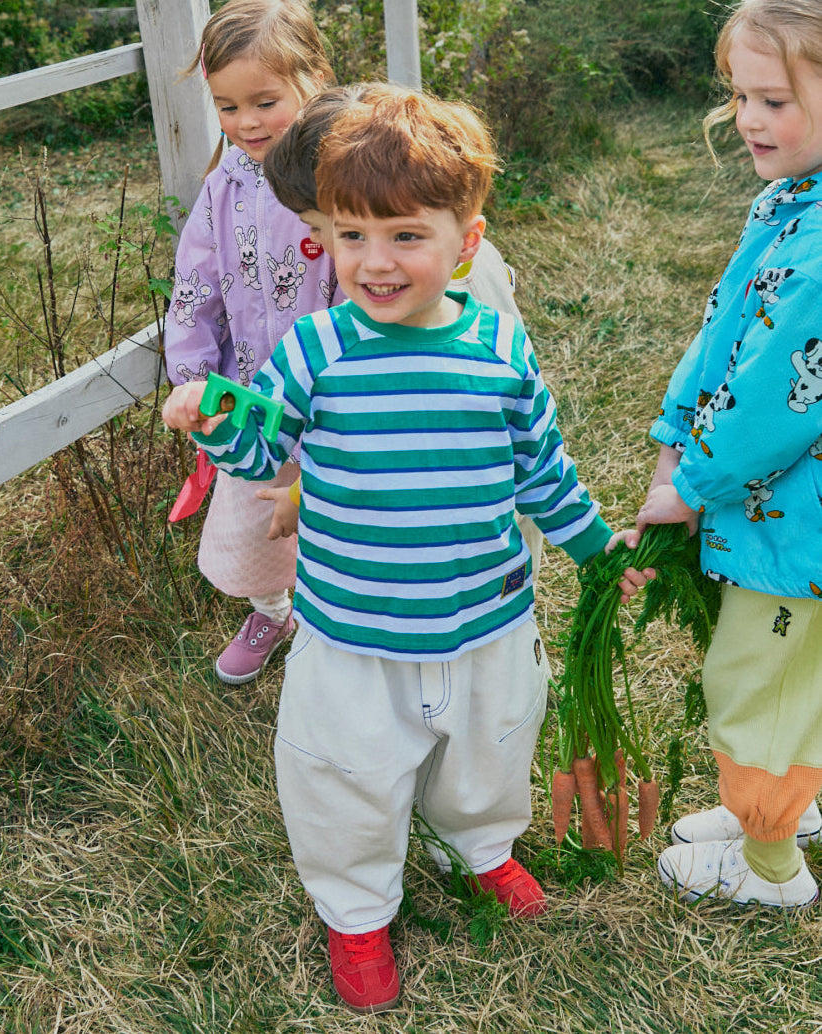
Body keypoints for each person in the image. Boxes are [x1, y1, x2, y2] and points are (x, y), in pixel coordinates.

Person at [162, 89, 652, 1013]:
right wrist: (218, 420)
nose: (374, 263)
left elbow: (541, 471)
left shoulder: (500, 348)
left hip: (485, 622)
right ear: (325, 241)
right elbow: (265, 447)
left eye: (404, 237)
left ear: (465, 242)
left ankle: (479, 849)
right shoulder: (316, 349)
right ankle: (355, 913)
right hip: (354, 630)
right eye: (350, 238)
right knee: (343, 771)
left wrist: (596, 549)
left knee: (489, 752)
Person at [637, 0, 822, 909]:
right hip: (778, 513)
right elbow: (726, 336)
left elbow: (768, 402)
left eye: (775, 99)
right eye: (740, 95)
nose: (749, 118)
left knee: (753, 679)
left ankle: (769, 866)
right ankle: (791, 801)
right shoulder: (792, 200)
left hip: (794, 527)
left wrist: (692, 479)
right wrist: (673, 433)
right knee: (795, 677)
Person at [259, 83, 546, 577]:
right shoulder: (418, 270)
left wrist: (303, 488)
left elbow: (435, 427)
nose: (309, 237)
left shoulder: (444, 296)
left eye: (314, 221)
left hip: (483, 519)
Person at [164, 0, 338, 685]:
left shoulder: (343, 175)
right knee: (255, 517)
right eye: (227, 106)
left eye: (265, 101)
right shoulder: (222, 187)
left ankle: (333, 620)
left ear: (312, 79)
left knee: (331, 507)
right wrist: (194, 373)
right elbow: (193, 285)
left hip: (335, 393)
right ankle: (273, 609)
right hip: (252, 396)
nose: (246, 123)